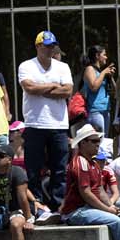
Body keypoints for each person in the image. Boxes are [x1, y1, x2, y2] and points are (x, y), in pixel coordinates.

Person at [17, 31, 72, 211]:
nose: (50, 49)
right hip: (35, 123)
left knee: (60, 169)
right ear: (37, 46)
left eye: (52, 46)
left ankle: (58, 206)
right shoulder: (26, 66)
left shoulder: (62, 67)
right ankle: (37, 205)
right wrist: (54, 86)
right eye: (46, 46)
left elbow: (67, 91)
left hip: (59, 124)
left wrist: (42, 89)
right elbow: (29, 87)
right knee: (34, 169)